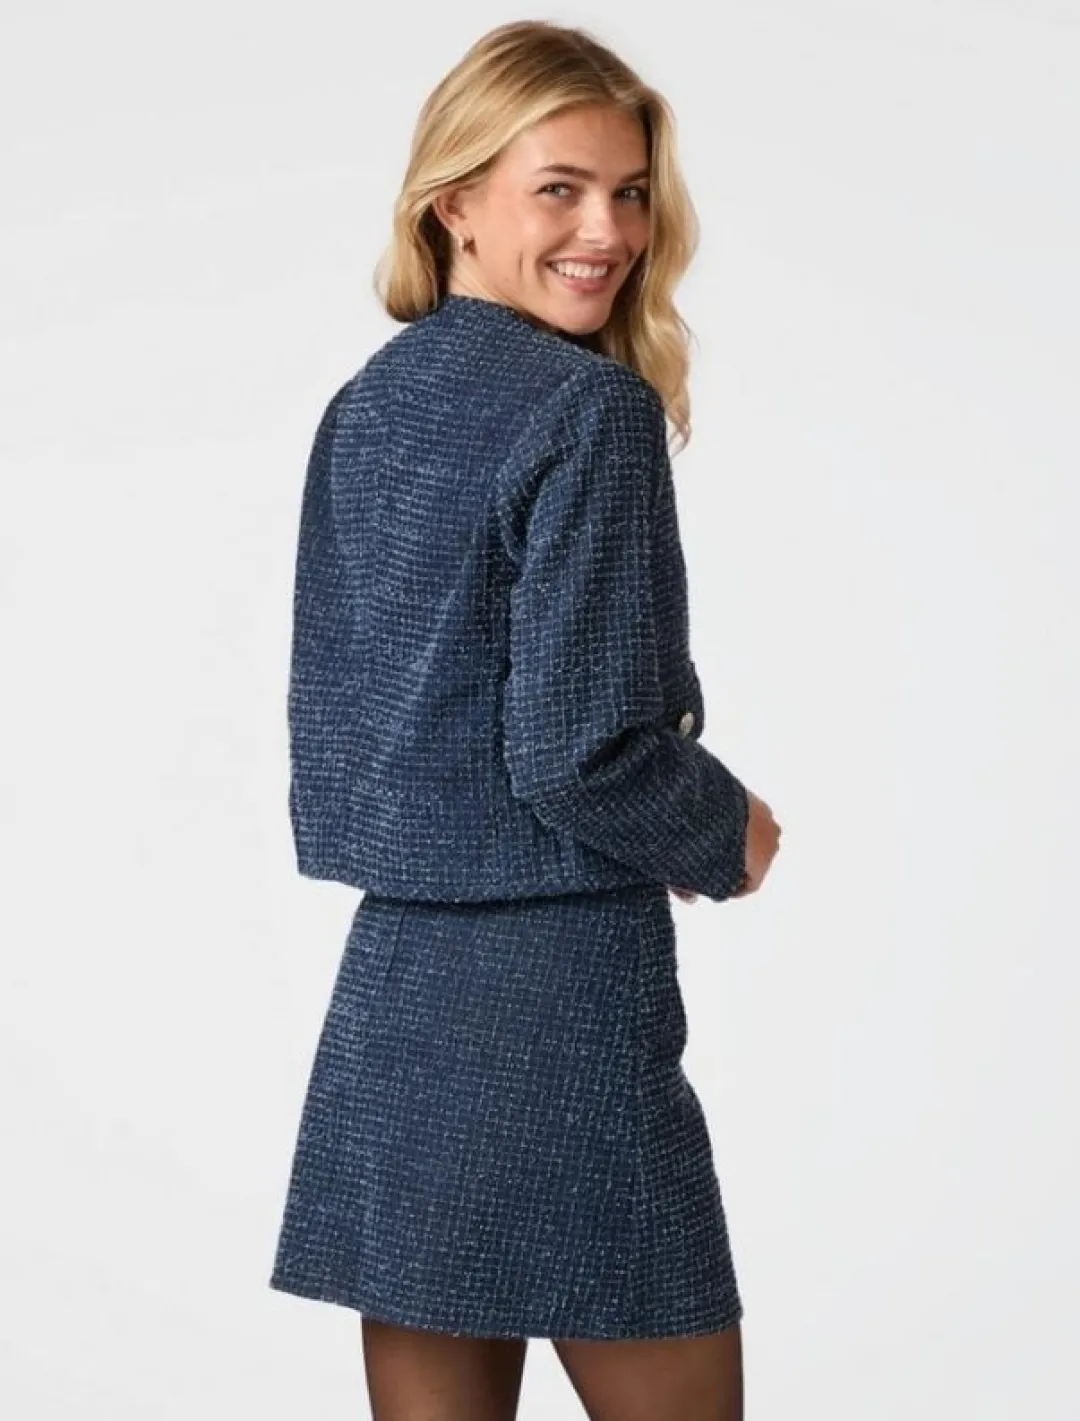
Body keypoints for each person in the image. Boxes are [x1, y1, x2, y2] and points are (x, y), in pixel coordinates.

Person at [268, 18, 782, 1421]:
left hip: (400, 982)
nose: (607, 231)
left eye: (629, 193)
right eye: (560, 188)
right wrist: (725, 827)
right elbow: (581, 750)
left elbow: (357, 725)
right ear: (455, 202)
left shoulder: (368, 406)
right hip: (559, 984)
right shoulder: (587, 409)